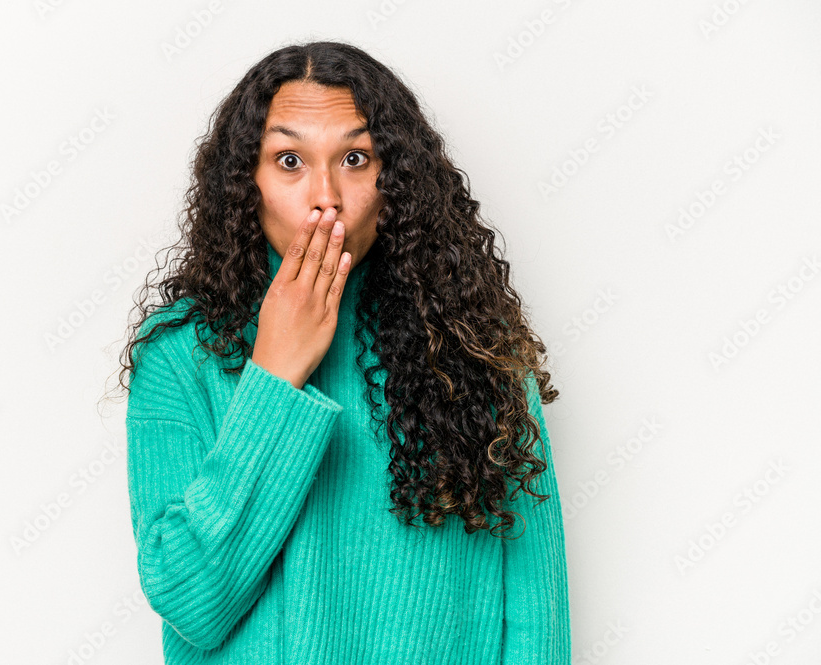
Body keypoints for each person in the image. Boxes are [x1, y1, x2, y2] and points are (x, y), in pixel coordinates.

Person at [115, 40, 571, 664]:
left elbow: (533, 610)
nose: (325, 195)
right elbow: (192, 600)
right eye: (290, 160)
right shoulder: (179, 352)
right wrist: (275, 374)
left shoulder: (473, 342)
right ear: (247, 181)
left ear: (396, 182)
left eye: (355, 158)